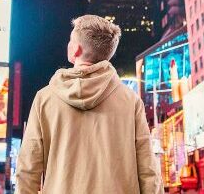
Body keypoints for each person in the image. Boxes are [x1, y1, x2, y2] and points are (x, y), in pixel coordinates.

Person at [16, 15, 161, 194]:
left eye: (71, 40)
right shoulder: (131, 101)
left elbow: (28, 170)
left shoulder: (45, 99)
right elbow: (149, 171)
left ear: (76, 49)